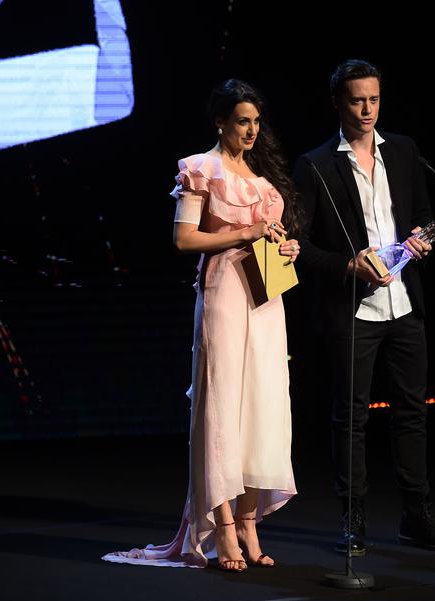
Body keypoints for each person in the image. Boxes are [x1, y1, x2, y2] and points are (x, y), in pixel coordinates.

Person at [103, 79, 300, 571]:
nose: (251, 131)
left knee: (264, 403)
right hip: (224, 294)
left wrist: (284, 247)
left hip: (266, 298)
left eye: (256, 122)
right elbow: (184, 240)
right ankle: (223, 526)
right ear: (220, 122)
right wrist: (245, 231)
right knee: (222, 405)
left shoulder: (263, 181)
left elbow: (268, 238)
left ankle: (250, 521)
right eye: (242, 121)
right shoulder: (201, 170)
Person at [293, 59, 435, 555]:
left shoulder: (404, 150)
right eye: (356, 100)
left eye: (374, 99)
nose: (367, 109)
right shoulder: (316, 164)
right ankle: (353, 517)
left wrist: (422, 237)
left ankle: (417, 513)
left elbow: (423, 213)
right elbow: (300, 246)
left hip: (404, 302)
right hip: (353, 309)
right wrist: (349, 265)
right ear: (337, 103)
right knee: (351, 417)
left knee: (412, 412)